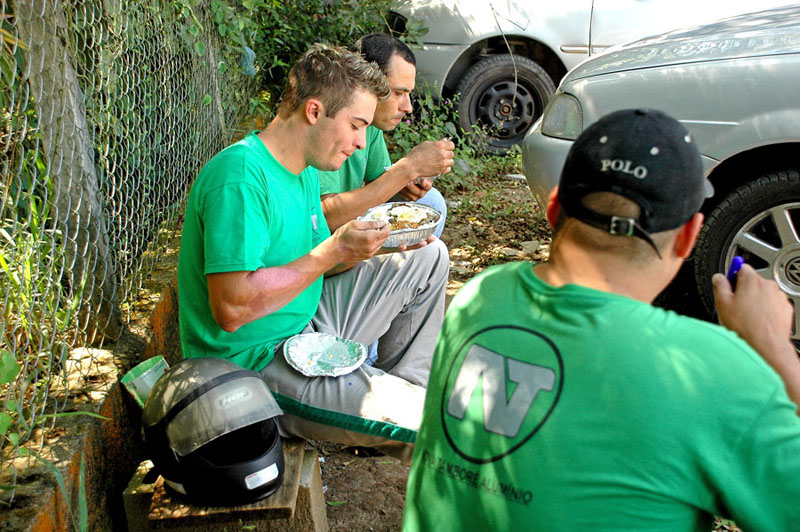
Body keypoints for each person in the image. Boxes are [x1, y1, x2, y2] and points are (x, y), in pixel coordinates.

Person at [403, 109, 800, 529]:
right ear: (688, 237)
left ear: (554, 209)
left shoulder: (481, 295)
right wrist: (775, 350)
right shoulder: (710, 370)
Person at [177, 44, 450, 463]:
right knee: (440, 426)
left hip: (307, 322)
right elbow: (232, 309)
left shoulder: (302, 169)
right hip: (258, 365)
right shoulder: (240, 177)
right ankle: (401, 414)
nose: (362, 143)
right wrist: (334, 250)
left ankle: (403, 390)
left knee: (427, 258)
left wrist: (363, 251)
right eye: (357, 125)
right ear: (314, 111)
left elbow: (315, 261)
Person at [318, 33, 454, 238]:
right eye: (398, 93)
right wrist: (408, 167)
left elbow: (379, 183)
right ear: (370, 81)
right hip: (322, 247)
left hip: (344, 234)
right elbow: (324, 219)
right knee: (432, 253)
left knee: (431, 202)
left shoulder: (372, 125)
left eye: (409, 94)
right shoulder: (328, 120)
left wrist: (405, 183)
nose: (408, 107)